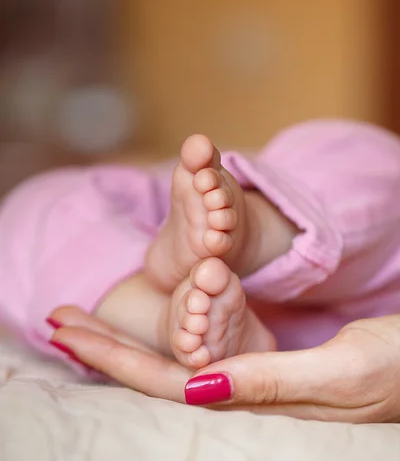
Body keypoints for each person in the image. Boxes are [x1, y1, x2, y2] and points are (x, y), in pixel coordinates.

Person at [3, 119, 400, 420]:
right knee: (25, 217)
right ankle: (259, 230)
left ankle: (172, 313)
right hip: (272, 216)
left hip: (330, 321)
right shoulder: (140, 190)